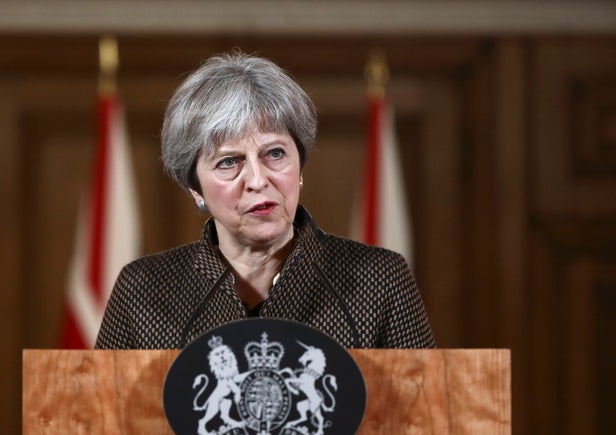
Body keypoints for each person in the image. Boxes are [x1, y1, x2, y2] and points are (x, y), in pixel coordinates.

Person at [95, 51, 435, 350]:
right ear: (194, 189)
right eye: (229, 162)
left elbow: (422, 412)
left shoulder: (380, 278)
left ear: (300, 165)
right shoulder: (142, 290)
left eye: (274, 153)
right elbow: (101, 416)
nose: (258, 180)